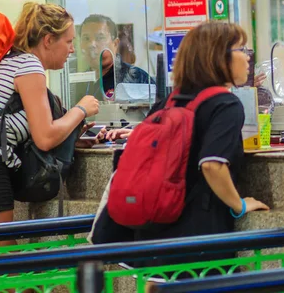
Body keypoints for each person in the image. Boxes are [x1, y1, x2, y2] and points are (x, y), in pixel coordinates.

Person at [103, 21, 270, 282]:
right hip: (198, 244)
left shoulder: (170, 101)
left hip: (152, 237)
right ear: (218, 57)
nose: (248, 58)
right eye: (241, 49)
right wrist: (239, 205)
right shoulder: (225, 104)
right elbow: (212, 165)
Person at [0, 2, 102, 249]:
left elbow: (18, 127)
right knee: (3, 279)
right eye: (68, 42)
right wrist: (81, 110)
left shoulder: (7, 62)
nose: (71, 50)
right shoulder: (28, 65)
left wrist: (72, 135)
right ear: (48, 40)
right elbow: (45, 137)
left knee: (6, 277)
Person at [79, 14, 152, 100]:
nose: (92, 44)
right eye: (86, 38)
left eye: (99, 38)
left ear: (115, 44)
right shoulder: (77, 82)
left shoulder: (136, 78)